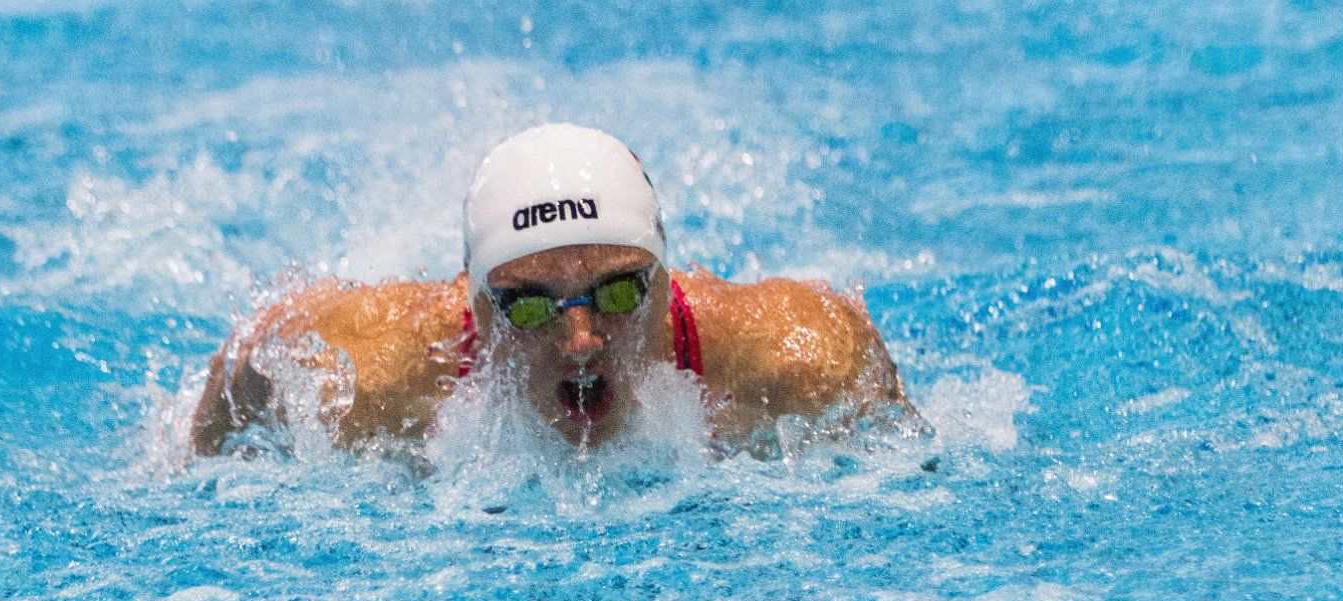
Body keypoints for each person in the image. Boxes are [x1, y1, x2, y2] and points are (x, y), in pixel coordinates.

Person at [191, 123, 918, 456]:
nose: (580, 340)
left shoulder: (796, 359)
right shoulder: (371, 378)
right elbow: (250, 363)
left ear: (666, 283)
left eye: (617, 293)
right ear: (476, 305)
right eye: (531, 304)